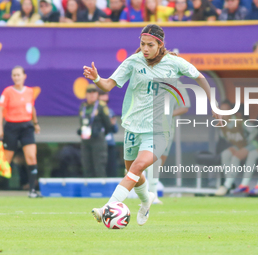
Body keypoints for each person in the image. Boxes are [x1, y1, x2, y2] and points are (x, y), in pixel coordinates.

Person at [83, 24, 221, 226]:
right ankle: (147, 200)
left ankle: (108, 208)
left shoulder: (174, 63)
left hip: (158, 130)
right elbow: (107, 85)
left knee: (138, 166)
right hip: (133, 126)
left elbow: (200, 77)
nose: (145, 48)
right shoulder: (133, 62)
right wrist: (96, 78)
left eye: (149, 45)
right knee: (133, 173)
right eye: (142, 44)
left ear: (160, 45)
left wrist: (213, 102)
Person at [0, 66, 42, 198]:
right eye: (14, 75)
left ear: (24, 76)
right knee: (6, 160)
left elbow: (32, 108)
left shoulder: (29, 91)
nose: (16, 77)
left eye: (18, 75)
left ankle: (32, 190)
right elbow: (0, 110)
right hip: (11, 126)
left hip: (26, 126)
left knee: (31, 156)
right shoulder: (8, 91)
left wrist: (36, 123)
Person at [147, 85, 190, 204]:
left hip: (166, 129)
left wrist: (167, 114)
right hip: (147, 126)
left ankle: (149, 190)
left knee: (159, 161)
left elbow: (184, 107)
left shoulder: (178, 85)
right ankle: (152, 194)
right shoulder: (152, 81)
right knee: (152, 159)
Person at [215, 101, 258, 196]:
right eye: (221, 110)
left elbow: (255, 131)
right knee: (225, 154)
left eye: (226, 110)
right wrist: (233, 147)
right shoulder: (222, 124)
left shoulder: (239, 121)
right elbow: (227, 138)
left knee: (236, 157)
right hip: (238, 146)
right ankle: (230, 183)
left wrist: (246, 146)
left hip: (251, 145)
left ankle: (226, 185)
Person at [78, 84, 112, 177]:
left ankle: (101, 190)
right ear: (86, 94)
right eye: (89, 92)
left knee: (99, 165)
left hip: (98, 140)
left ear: (97, 94)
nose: (92, 94)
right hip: (86, 139)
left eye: (94, 92)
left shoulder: (101, 106)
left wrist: (100, 133)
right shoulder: (83, 106)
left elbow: (108, 125)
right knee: (86, 165)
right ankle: (88, 190)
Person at [98, 89, 119, 177]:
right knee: (100, 168)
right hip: (98, 144)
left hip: (109, 144)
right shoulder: (95, 111)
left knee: (112, 168)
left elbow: (115, 129)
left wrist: (113, 123)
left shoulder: (110, 111)